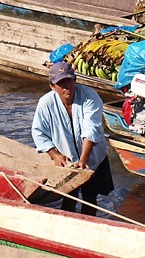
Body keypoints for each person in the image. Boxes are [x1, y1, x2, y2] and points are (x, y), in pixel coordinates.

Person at [32, 61, 114, 215]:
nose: (66, 87)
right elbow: (38, 132)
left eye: (69, 81)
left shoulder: (89, 96)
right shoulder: (46, 103)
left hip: (93, 158)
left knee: (90, 197)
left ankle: (90, 228)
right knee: (69, 197)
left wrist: (84, 160)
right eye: (61, 83)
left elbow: (92, 128)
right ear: (52, 86)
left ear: (75, 80)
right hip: (67, 160)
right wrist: (55, 155)